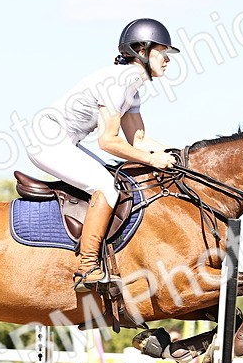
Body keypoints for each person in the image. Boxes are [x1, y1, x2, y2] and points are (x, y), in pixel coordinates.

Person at [26, 18, 180, 290]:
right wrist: (154, 159)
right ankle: (87, 268)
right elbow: (108, 142)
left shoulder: (132, 88)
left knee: (117, 181)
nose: (167, 59)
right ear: (141, 50)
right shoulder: (117, 82)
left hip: (65, 140)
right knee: (106, 187)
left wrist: (177, 155)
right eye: (163, 51)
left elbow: (138, 140)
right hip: (47, 139)